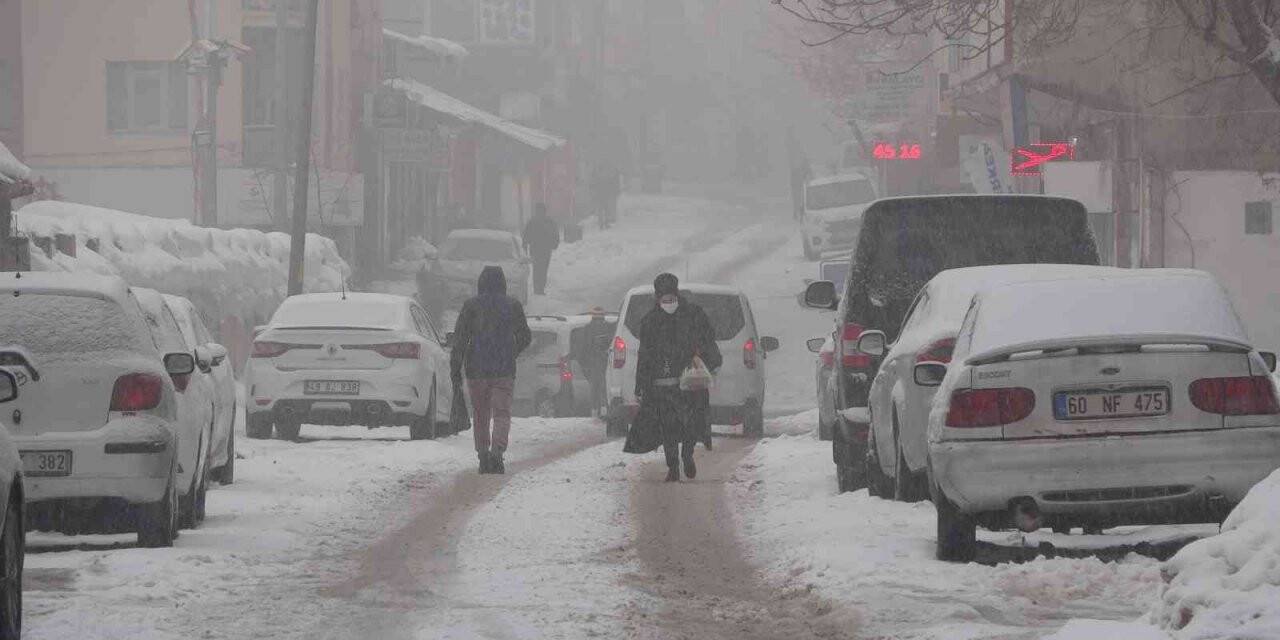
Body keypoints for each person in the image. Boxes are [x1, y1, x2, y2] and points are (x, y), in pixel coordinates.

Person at [634, 273, 722, 482]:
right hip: (664, 384)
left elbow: (708, 339)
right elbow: (644, 354)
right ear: (657, 298)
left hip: (690, 381)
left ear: (677, 295)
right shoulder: (651, 321)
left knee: (690, 423)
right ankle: (673, 465)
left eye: (671, 299)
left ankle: (687, 454)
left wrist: (710, 361)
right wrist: (641, 384)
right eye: (664, 300)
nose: (668, 303)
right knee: (668, 427)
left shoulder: (693, 314)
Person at [450, 266, 532, 474]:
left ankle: (483, 455)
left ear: (481, 283)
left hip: (476, 369)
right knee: (502, 413)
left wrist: (455, 368)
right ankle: (497, 452)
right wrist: (511, 352)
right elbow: (525, 336)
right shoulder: (512, 305)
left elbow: (460, 340)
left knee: (481, 413)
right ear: (503, 283)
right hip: (504, 369)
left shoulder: (471, 306)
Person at [522, 203, 560, 296]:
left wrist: (525, 246)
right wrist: (555, 244)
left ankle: (538, 289)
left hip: (537, 249)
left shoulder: (533, 222)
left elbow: (525, 236)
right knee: (542, 269)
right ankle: (540, 289)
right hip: (544, 250)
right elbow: (555, 234)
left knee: (538, 269)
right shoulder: (548, 222)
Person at [581, 306, 613, 416]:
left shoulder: (588, 329)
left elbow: (583, 348)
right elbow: (584, 348)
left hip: (597, 363)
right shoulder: (608, 328)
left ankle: (596, 412)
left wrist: (585, 365)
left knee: (596, 389)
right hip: (602, 363)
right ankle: (602, 411)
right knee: (602, 388)